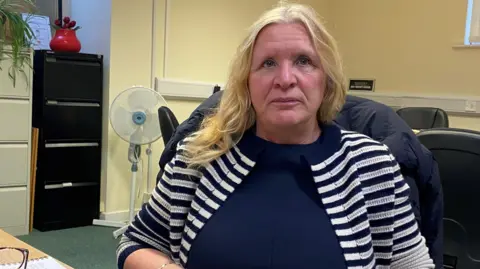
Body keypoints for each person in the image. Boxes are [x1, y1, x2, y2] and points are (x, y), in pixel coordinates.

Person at [116, 3, 435, 269]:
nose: (285, 79)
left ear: (326, 79)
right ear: (246, 82)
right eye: (268, 63)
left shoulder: (372, 165)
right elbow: (135, 242)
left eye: (304, 61)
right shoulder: (198, 157)